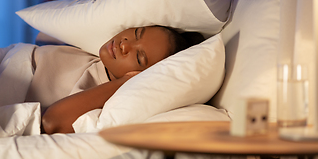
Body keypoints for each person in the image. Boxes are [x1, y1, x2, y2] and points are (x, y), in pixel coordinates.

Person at [38, 25, 204, 134]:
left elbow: (51, 122)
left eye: (139, 58)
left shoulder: (104, 95)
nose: (124, 45)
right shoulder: (93, 53)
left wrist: (126, 81)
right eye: (137, 33)